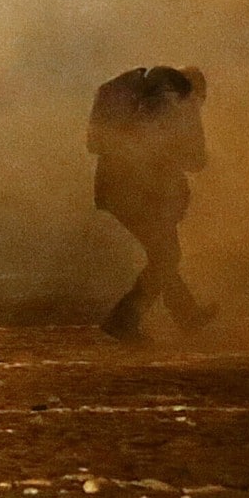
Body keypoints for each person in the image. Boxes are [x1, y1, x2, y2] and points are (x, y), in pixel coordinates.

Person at [91, 66, 215, 343]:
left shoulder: (140, 100)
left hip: (114, 187)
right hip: (144, 193)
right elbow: (195, 160)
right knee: (166, 256)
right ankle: (124, 319)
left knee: (163, 256)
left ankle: (187, 316)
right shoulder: (180, 102)